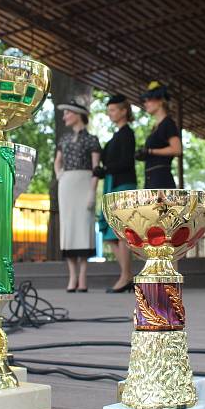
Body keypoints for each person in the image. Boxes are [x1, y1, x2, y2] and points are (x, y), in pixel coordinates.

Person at [54, 100, 101, 292]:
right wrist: (60, 176)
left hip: (85, 182)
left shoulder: (92, 139)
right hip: (67, 185)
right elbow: (57, 162)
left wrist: (92, 191)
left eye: (67, 113)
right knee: (69, 228)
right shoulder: (63, 139)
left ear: (77, 114)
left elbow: (96, 168)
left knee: (83, 228)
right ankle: (72, 276)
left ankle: (83, 276)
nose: (64, 117)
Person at [95, 94, 136, 293]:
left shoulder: (128, 133)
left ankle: (125, 276)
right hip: (112, 184)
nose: (109, 113)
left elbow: (127, 162)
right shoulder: (115, 136)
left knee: (121, 233)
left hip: (123, 185)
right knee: (110, 235)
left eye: (112, 110)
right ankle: (126, 275)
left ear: (123, 111)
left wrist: (106, 169)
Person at [134, 81, 182, 189]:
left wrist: (150, 151)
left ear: (160, 101)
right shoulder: (155, 127)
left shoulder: (168, 123)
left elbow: (177, 149)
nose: (145, 104)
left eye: (149, 100)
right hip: (151, 177)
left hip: (161, 179)